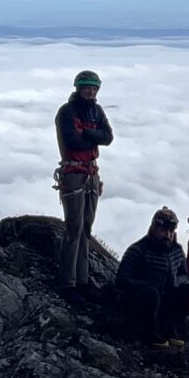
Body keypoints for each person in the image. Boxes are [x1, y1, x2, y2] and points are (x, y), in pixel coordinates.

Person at [54, 70, 112, 288]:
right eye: (87, 87)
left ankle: (83, 280)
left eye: (94, 87)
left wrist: (86, 135)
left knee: (86, 228)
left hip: (90, 174)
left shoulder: (96, 111)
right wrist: (93, 136)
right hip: (74, 174)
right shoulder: (66, 112)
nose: (91, 91)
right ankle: (68, 283)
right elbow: (72, 142)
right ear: (78, 88)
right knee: (74, 228)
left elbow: (108, 138)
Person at [110, 207, 189, 345]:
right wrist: (147, 284)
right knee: (150, 294)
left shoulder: (177, 250)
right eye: (163, 231)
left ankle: (169, 328)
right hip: (141, 301)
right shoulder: (138, 250)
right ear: (154, 228)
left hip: (166, 299)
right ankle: (150, 333)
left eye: (171, 231)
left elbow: (185, 274)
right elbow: (122, 279)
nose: (168, 235)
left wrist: (176, 282)